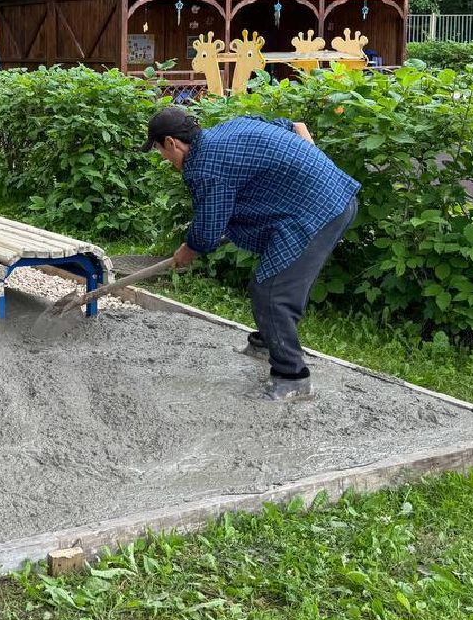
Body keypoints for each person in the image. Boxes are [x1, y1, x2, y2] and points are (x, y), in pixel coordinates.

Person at [141, 106, 359, 402]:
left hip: (319, 214)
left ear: (171, 142)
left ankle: (292, 378)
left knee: (272, 292)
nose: (163, 158)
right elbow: (296, 126)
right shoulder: (226, 130)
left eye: (159, 150)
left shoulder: (204, 166)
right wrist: (314, 168)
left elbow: (208, 231)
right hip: (327, 197)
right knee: (274, 281)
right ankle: (266, 345)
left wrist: (189, 249)